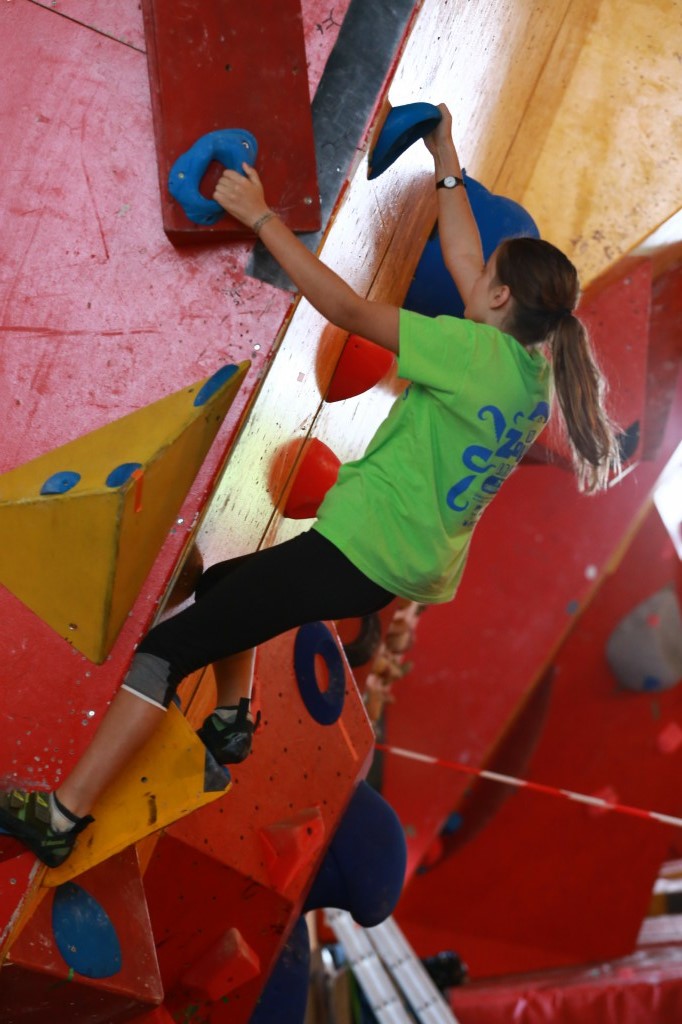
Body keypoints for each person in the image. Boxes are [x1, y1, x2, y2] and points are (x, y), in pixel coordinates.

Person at [0, 105, 620, 867]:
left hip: (358, 552)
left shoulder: (467, 351)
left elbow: (348, 309)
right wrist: (445, 157)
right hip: (395, 565)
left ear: (499, 300)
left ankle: (61, 817)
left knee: (165, 650)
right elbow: (468, 260)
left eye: (488, 273)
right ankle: (231, 719)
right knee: (223, 585)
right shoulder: (529, 372)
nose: (475, 269)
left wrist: (261, 217)